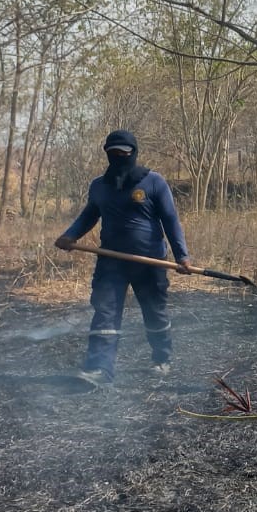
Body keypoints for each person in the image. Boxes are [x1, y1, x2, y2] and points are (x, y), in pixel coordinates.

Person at [54, 130, 194, 385]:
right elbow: (88, 216)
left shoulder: (154, 182)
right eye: (113, 153)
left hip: (150, 262)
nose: (118, 157)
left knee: (154, 313)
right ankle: (99, 369)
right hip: (111, 262)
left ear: (134, 153)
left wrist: (182, 256)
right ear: (107, 154)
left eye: (123, 153)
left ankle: (162, 359)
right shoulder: (99, 185)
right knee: (105, 312)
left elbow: (171, 221)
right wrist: (69, 235)